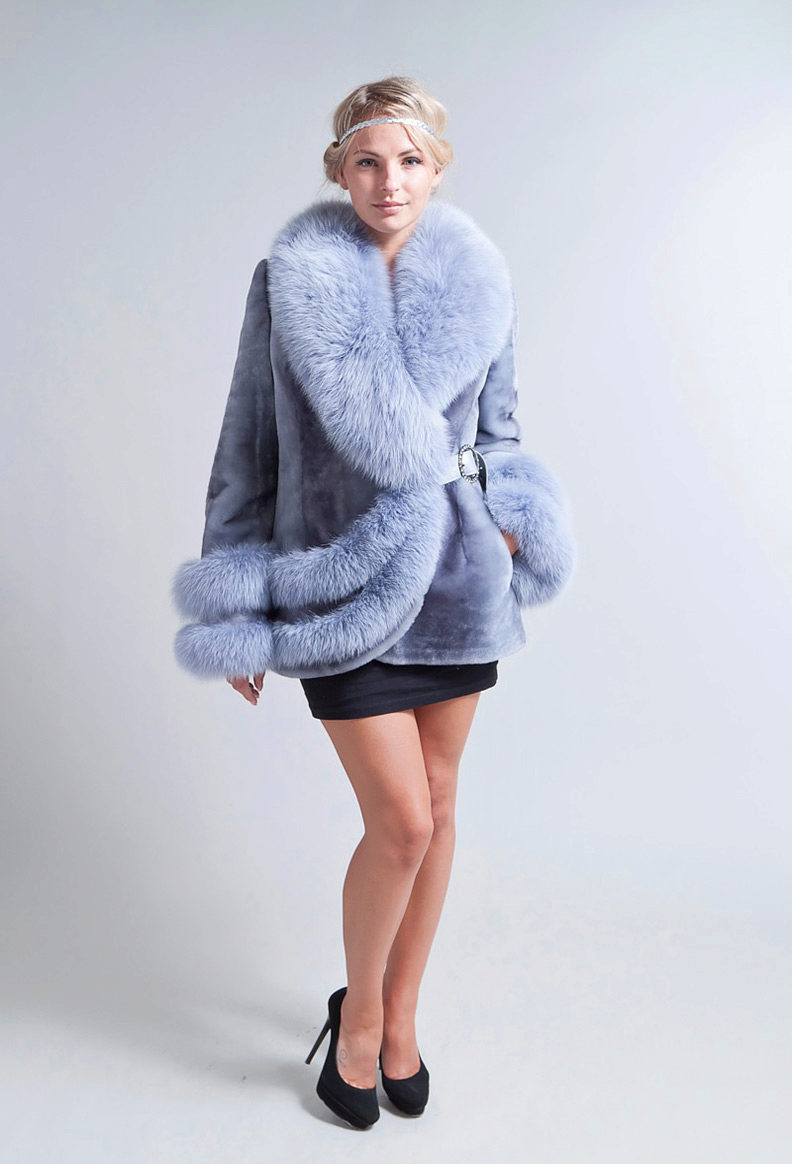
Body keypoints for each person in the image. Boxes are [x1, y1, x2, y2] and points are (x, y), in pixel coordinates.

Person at [171, 76, 576, 1129]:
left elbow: (501, 434)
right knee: (400, 822)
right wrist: (240, 604)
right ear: (339, 170)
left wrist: (509, 522)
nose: (388, 181)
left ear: (437, 170)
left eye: (409, 161)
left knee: (438, 808)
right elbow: (245, 446)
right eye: (367, 160)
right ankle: (356, 1020)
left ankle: (402, 1018)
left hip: (458, 577)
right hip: (337, 576)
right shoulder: (289, 281)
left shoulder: (482, 279)